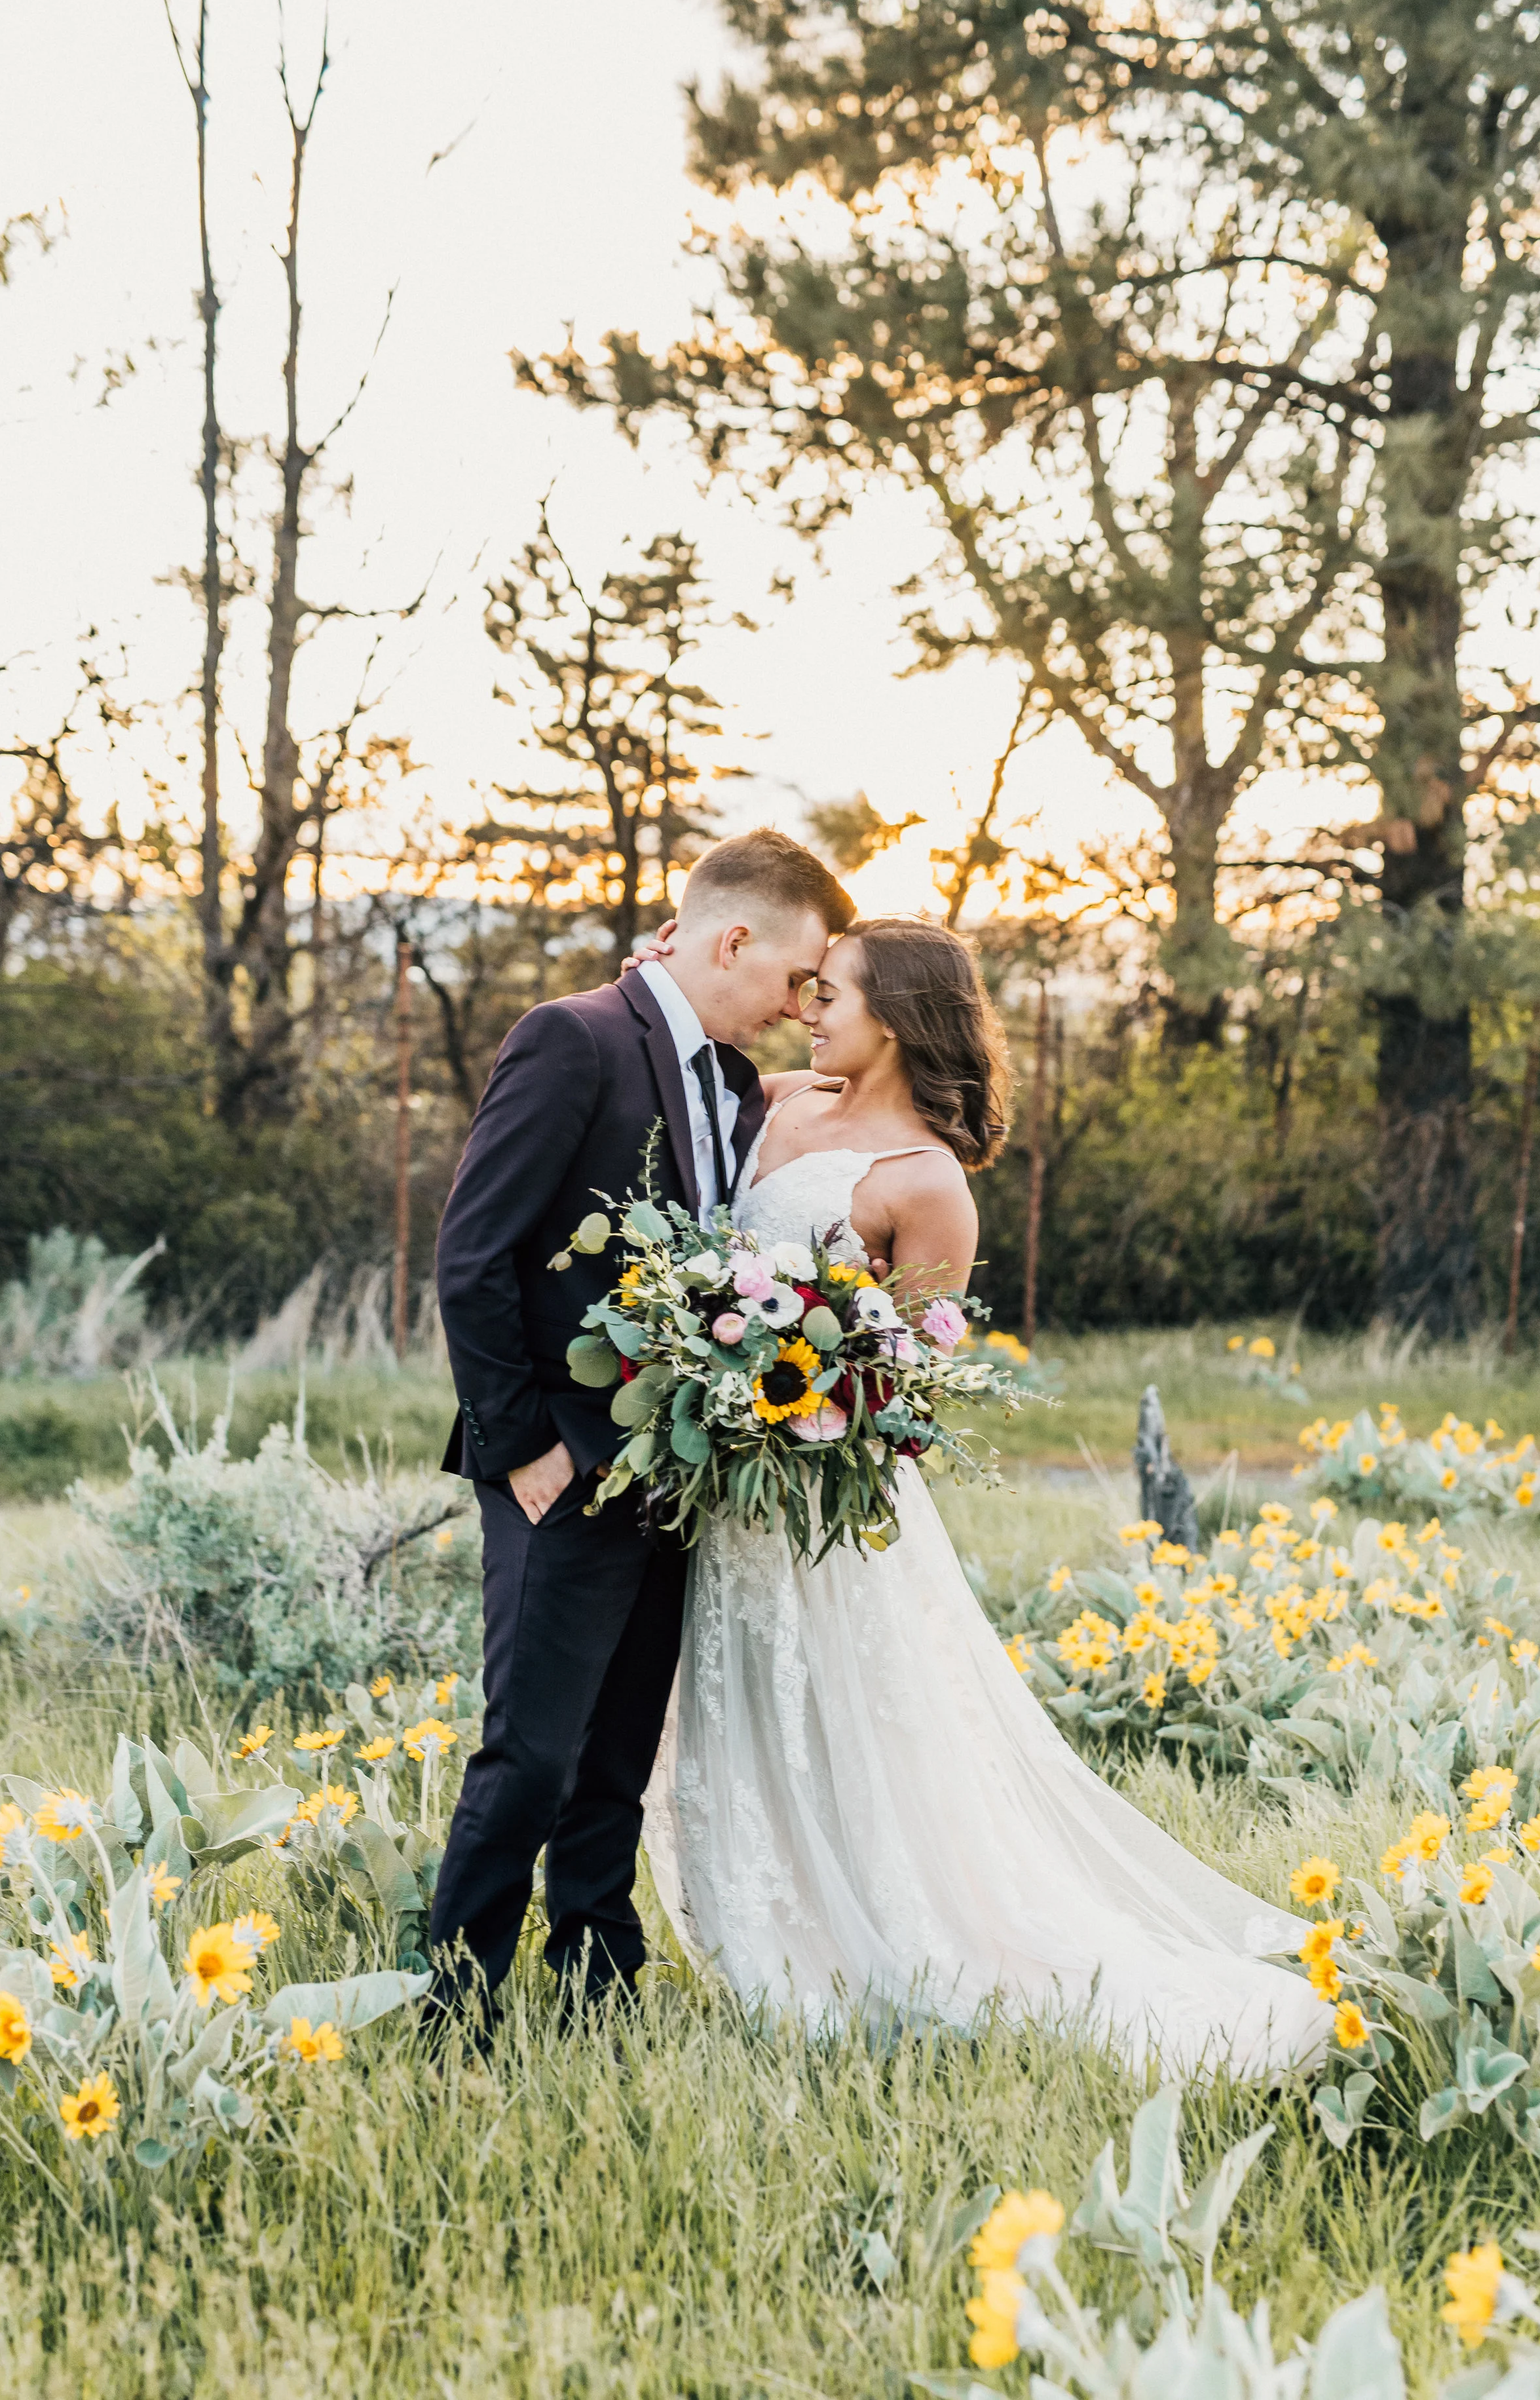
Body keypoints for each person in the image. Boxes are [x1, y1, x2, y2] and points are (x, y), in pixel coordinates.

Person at [640, 917, 1332, 2076]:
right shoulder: (776, 1102)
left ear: (897, 1017)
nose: (809, 1008)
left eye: (833, 992)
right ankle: (773, 1928)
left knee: (857, 1731)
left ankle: (883, 1946)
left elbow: (904, 1394)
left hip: (822, 1509)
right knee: (743, 1712)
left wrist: (788, 1404)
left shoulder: (928, 1184)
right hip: (723, 1497)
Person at [429, 828, 854, 2025]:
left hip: (675, 1469)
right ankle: (455, 2006)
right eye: (796, 977)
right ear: (732, 940)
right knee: (531, 1754)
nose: (799, 1006)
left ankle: (596, 1990)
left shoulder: (732, 1079)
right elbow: (472, 1254)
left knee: (617, 1759)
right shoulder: (572, 1038)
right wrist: (523, 1447)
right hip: (558, 1467)